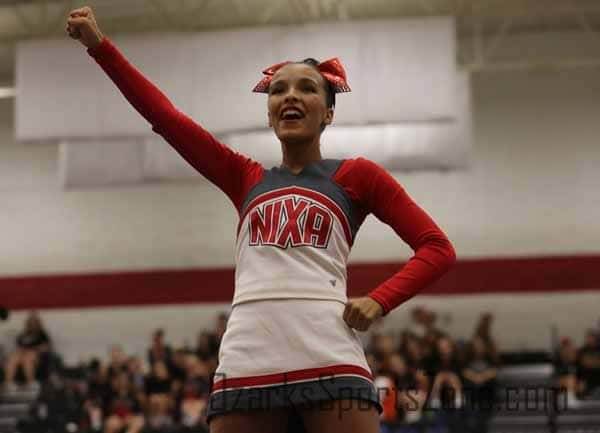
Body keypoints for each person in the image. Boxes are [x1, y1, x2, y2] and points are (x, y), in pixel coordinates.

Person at [66, 7, 456, 433]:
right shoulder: (244, 176)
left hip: (329, 352)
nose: (289, 96)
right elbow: (166, 118)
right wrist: (99, 48)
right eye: (278, 90)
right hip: (248, 356)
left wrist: (380, 299)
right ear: (269, 113)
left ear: (328, 113)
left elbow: (437, 248)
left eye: (307, 88)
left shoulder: (358, 176)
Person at [3, 311, 51, 390]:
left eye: (34, 323)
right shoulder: (23, 334)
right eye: (31, 323)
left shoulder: (42, 334)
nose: (32, 325)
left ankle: (31, 382)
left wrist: (34, 349)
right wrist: (22, 351)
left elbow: (46, 347)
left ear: (38, 323)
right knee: (13, 358)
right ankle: (8, 383)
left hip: (35, 355)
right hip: (22, 353)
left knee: (28, 358)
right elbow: (19, 347)